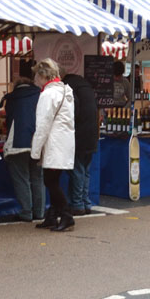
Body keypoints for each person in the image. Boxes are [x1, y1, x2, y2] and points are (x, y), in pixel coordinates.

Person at [31, 59, 76, 231]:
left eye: (36, 74)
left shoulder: (47, 95)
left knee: (50, 181)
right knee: (53, 179)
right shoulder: (65, 90)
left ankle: (66, 215)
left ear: (43, 75)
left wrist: (35, 151)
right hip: (63, 141)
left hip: (53, 143)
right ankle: (52, 215)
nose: (35, 78)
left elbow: (42, 125)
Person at [0, 61, 43, 222]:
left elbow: (9, 120)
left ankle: (26, 212)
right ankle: (39, 212)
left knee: (21, 178)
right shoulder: (39, 95)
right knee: (37, 177)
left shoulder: (12, 98)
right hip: (36, 141)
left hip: (18, 143)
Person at [63, 70, 99, 213]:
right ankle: (86, 202)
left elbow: (72, 112)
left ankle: (77, 204)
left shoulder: (70, 89)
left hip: (78, 135)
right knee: (86, 171)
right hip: (92, 135)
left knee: (77, 170)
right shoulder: (87, 87)